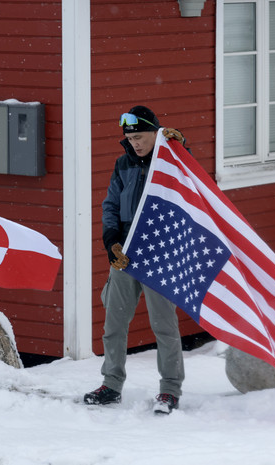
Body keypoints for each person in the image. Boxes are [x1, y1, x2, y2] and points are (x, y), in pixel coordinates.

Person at [84, 105, 187, 415]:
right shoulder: (122, 165)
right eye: (130, 139)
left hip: (159, 252)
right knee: (113, 324)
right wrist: (111, 241)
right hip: (126, 251)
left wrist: (180, 146)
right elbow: (110, 205)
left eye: (140, 137)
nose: (135, 144)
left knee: (163, 326)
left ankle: (170, 390)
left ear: (155, 133)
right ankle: (111, 385)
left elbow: (190, 178)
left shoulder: (169, 159)